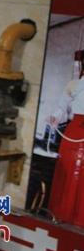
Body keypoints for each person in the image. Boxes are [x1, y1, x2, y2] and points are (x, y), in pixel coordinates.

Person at [45, 50, 84, 225]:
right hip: (74, 132)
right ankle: (62, 215)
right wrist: (54, 117)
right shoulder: (74, 84)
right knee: (68, 172)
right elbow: (61, 107)